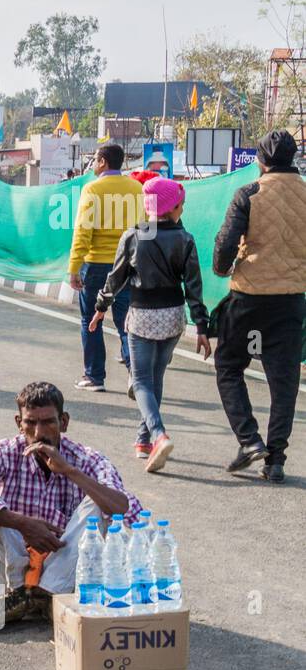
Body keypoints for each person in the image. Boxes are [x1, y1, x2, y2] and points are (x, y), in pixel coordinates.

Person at [0, 381, 141, 631]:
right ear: (19, 423)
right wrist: (23, 524)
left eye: (48, 422)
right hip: (12, 566)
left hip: (61, 570)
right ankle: (22, 595)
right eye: (30, 423)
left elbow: (125, 508)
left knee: (100, 502)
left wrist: (69, 471)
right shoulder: (4, 452)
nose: (39, 434)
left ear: (64, 422)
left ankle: (44, 595)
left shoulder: (88, 459)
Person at [90, 176, 210, 472]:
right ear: (171, 208)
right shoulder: (185, 239)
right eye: (180, 204)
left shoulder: (133, 236)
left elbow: (115, 279)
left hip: (142, 316)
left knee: (141, 380)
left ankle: (158, 434)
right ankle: (143, 439)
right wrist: (203, 327)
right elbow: (194, 287)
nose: (182, 208)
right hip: (172, 318)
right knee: (154, 379)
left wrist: (100, 307)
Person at [212, 130, 306, 484]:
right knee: (284, 380)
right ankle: (276, 458)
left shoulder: (250, 193)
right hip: (291, 301)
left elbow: (225, 242)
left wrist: (222, 269)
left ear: (262, 161)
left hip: (250, 298)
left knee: (229, 364)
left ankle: (249, 440)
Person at [68, 143, 142, 392]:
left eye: (95, 160)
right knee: (126, 321)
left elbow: (83, 231)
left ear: (102, 162)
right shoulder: (136, 188)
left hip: (97, 264)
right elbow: (144, 227)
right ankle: (135, 373)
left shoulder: (92, 189)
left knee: (91, 320)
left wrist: (74, 266)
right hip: (128, 264)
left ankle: (94, 376)